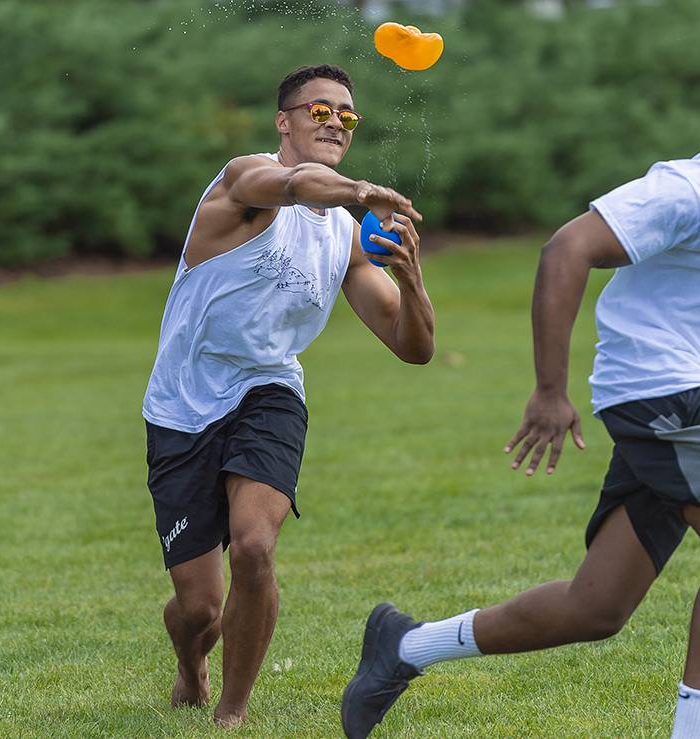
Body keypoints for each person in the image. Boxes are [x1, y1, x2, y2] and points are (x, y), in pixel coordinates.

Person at [340, 54, 700, 739]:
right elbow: (565, 250)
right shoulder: (689, 191)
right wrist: (550, 390)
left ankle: (404, 647)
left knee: (598, 606)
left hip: (698, 400)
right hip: (657, 386)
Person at [142, 63, 435, 728]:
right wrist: (358, 190)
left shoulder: (344, 240)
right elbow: (296, 183)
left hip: (269, 390)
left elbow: (411, 345)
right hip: (182, 404)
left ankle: (233, 711)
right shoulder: (242, 181)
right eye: (319, 110)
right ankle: (192, 665)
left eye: (348, 116)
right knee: (199, 610)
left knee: (253, 545)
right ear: (285, 121)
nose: (335, 122)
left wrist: (413, 281)